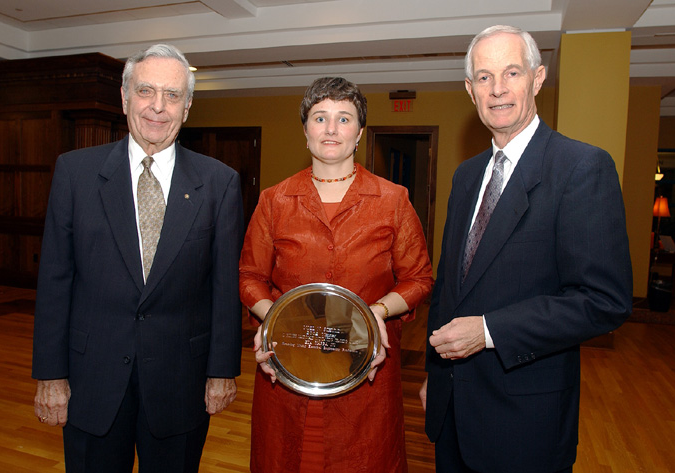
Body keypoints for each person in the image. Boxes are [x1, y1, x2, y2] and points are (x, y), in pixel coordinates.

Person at [420, 25, 633, 473]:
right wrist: (435, 376)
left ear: (537, 79)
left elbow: (604, 301)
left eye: (511, 73)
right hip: (452, 414)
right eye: (483, 77)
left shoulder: (581, 168)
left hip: (523, 425)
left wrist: (489, 330)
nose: (497, 90)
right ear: (469, 89)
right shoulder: (465, 176)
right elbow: (449, 288)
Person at [31, 43, 244, 473]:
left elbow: (225, 287)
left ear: (187, 108)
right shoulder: (74, 173)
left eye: (172, 95)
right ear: (125, 97)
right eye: (146, 91)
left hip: (180, 382)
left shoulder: (219, 183)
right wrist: (50, 375)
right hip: (92, 379)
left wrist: (222, 370)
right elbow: (55, 279)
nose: (158, 107)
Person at [239, 77, 433, 473]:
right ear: (305, 130)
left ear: (359, 132)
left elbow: (418, 278)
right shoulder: (274, 201)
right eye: (320, 117)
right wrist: (276, 318)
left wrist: (376, 311)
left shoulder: (393, 200)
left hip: (366, 373)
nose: (331, 129)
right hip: (286, 366)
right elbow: (249, 277)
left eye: (344, 119)